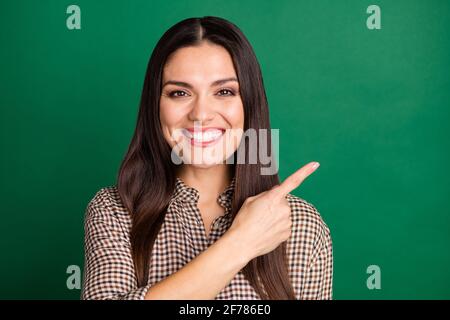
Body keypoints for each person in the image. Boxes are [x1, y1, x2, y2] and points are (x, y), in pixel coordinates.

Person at [81, 16, 332, 300]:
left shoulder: (299, 224)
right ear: (156, 107)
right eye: (179, 93)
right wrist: (242, 243)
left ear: (249, 104)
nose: (200, 114)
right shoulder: (116, 210)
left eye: (224, 92)